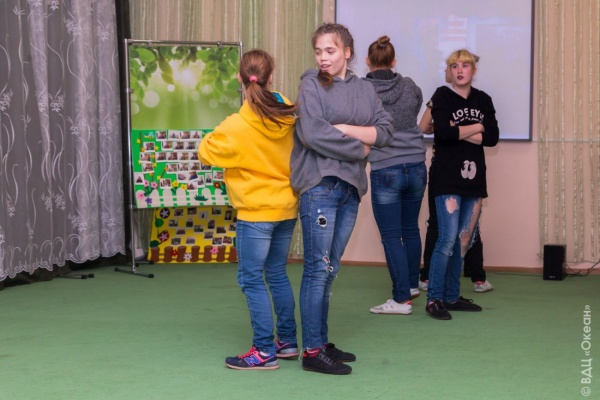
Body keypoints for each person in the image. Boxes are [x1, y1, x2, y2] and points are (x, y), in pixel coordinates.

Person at [291, 23, 394, 374]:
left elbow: (386, 131)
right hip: (319, 184)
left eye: (330, 51)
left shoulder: (365, 89)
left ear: (347, 52)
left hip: (350, 187)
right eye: (318, 51)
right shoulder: (310, 84)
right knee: (317, 269)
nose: (323, 58)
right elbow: (312, 133)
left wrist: (347, 129)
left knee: (330, 269)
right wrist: (360, 147)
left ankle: (320, 341)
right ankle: (312, 352)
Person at [199, 49, 300, 370]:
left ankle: (263, 351)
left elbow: (206, 152)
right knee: (277, 274)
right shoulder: (286, 108)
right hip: (286, 208)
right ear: (271, 78)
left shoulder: (236, 125)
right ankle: (287, 342)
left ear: (240, 80)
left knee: (251, 279)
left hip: (255, 213)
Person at [423, 49, 499, 320]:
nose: (459, 70)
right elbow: (443, 133)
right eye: (454, 66)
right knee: (446, 239)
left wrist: (461, 130)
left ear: (473, 71)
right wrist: (478, 126)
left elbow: (492, 138)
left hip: (474, 180)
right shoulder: (442, 95)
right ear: (450, 70)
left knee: (464, 239)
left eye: (465, 65)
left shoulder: (483, 99)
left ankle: (452, 297)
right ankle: (434, 299)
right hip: (447, 179)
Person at [362, 36, 427, 315]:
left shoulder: (363, 90)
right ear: (394, 61)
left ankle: (401, 300)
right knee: (410, 228)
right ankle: (410, 285)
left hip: (386, 167)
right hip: (416, 166)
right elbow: (415, 108)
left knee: (391, 236)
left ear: (367, 61)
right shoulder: (410, 85)